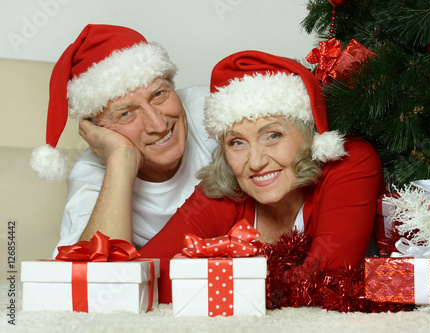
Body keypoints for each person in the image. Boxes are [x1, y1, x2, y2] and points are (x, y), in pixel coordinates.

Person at [140, 50, 386, 304]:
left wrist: (205, 280)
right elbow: (140, 277)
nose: (256, 162)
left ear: (309, 134)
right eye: (237, 142)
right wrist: (121, 159)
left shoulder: (350, 161)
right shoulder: (222, 192)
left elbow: (324, 280)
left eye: (273, 136)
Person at [28, 24, 216, 258]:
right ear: (96, 131)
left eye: (159, 94)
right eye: (125, 114)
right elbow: (91, 279)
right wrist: (120, 159)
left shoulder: (214, 110)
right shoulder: (91, 175)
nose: (158, 125)